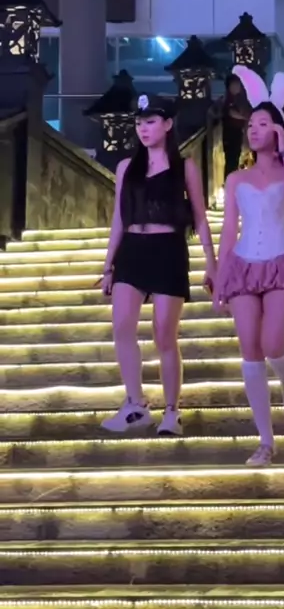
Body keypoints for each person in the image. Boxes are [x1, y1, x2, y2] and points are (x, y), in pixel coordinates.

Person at [100, 94, 216, 436]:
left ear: (167, 124)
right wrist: (108, 266)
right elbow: (119, 219)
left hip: (168, 250)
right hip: (132, 250)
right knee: (122, 326)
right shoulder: (126, 167)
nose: (143, 129)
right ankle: (135, 404)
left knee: (164, 334)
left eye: (150, 122)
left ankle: (172, 411)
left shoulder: (185, 167)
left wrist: (212, 262)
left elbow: (200, 216)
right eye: (139, 123)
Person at [214, 66, 284, 469]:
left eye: (263, 124)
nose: (253, 130)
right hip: (242, 266)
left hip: (281, 263)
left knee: (274, 343)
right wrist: (219, 274)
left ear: (278, 129)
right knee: (250, 350)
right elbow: (228, 229)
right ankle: (265, 441)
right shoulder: (236, 178)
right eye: (251, 124)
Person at [222, 73, 250, 180]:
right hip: (231, 135)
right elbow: (230, 112)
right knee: (231, 161)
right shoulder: (227, 100)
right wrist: (245, 118)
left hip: (241, 133)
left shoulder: (242, 99)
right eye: (233, 85)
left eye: (238, 84)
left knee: (239, 159)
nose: (236, 87)